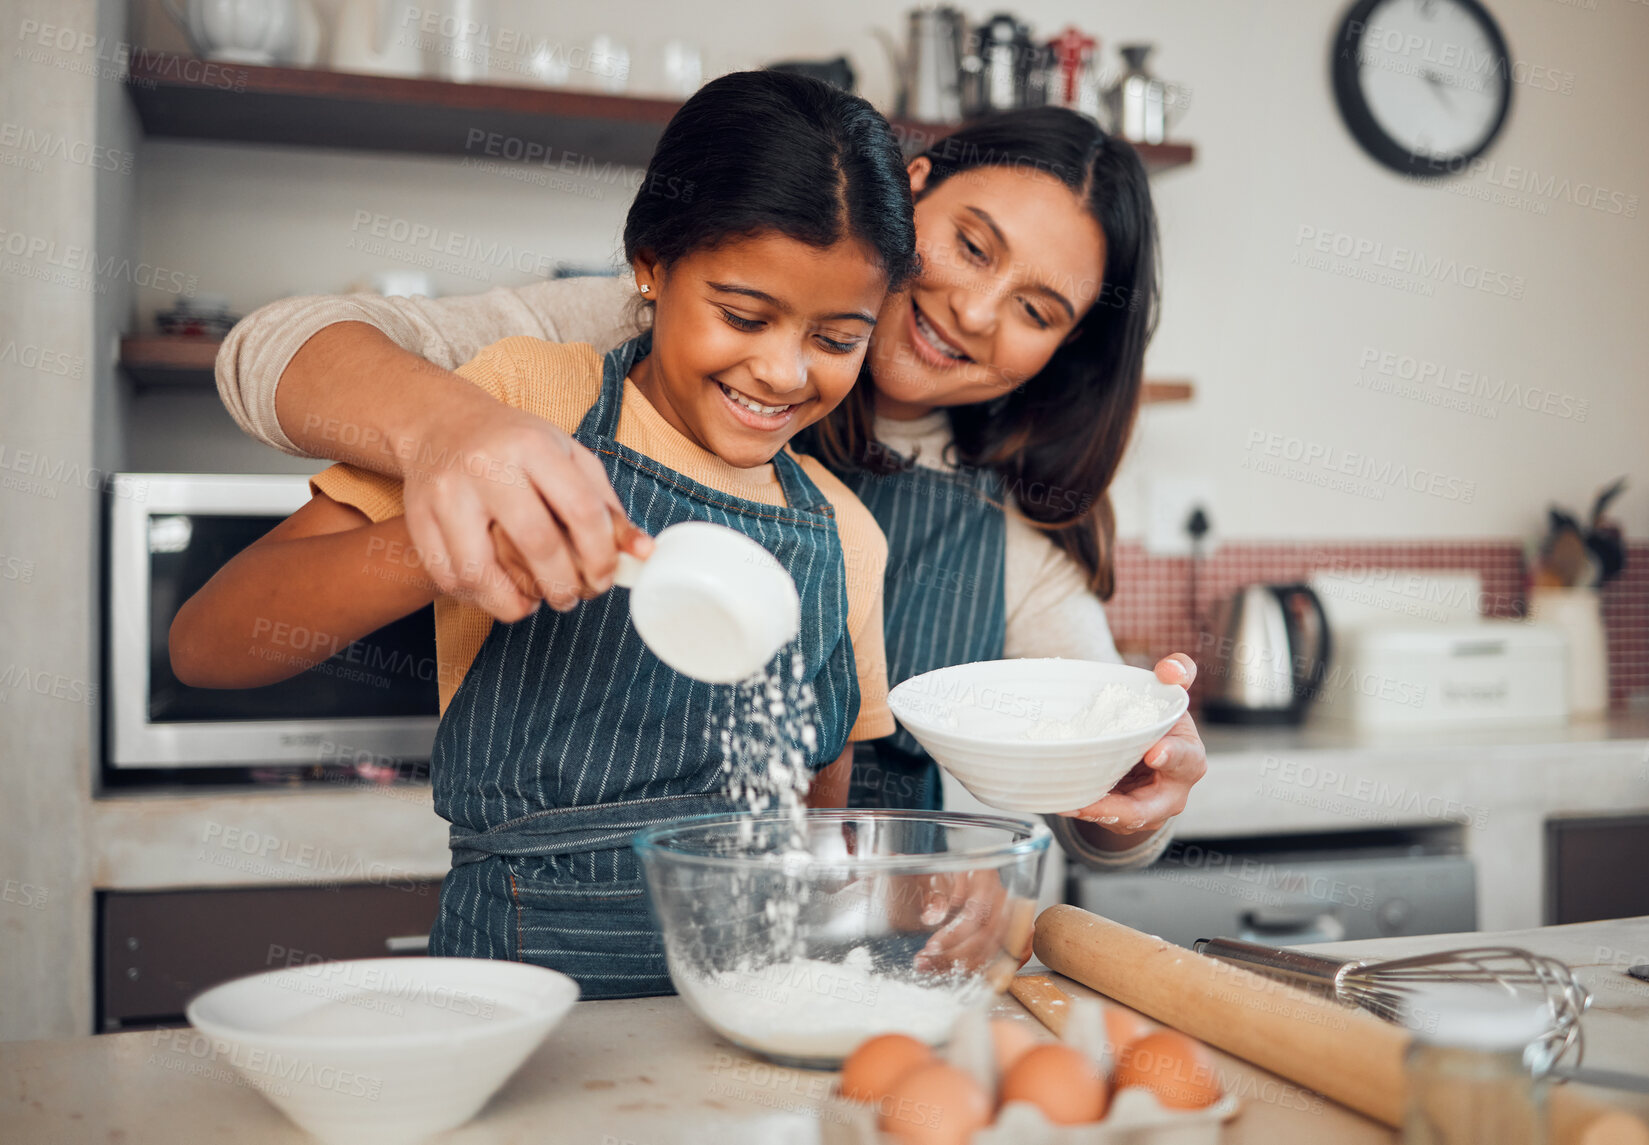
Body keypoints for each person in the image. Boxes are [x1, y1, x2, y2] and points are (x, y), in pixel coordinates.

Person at [213, 107, 1206, 873]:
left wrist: (1135, 782)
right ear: (908, 196)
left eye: (1037, 308)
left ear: (1066, 347)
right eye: (972, 245)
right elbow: (271, 348)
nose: (977, 310)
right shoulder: (607, 346)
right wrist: (451, 431)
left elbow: (1096, 815)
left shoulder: (1004, 538)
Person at [170, 70, 914, 997]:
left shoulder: (845, 535)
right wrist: (438, 544)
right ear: (651, 262)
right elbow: (208, 643)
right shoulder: (524, 406)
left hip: (740, 1006)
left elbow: (820, 796)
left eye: (838, 339)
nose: (781, 369)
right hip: (515, 987)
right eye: (743, 315)